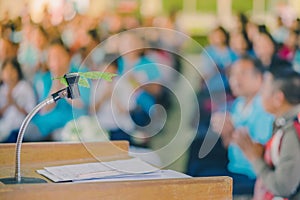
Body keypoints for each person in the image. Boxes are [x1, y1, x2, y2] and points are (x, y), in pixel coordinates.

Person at [233, 67, 300, 200]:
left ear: (278, 98)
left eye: (264, 90)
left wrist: (255, 158)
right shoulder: (284, 123)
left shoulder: (292, 132)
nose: (260, 95)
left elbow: (283, 188)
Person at [211, 56, 274, 195]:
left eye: (242, 74)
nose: (235, 80)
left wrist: (234, 130)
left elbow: (264, 152)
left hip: (252, 175)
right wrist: (226, 132)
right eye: (232, 74)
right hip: (233, 168)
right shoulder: (238, 104)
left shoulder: (265, 108)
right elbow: (229, 145)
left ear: (259, 78)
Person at [28, 39, 90, 141]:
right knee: (30, 131)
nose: (57, 60)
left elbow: (80, 105)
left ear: (67, 56)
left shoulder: (77, 74)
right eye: (52, 57)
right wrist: (56, 82)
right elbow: (44, 109)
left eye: (59, 56)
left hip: (72, 120)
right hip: (49, 122)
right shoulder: (45, 78)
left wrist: (64, 83)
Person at [91, 60, 135, 143]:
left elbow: (126, 110)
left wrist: (113, 96)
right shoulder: (96, 85)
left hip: (121, 127)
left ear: (115, 69)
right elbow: (92, 110)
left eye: (109, 68)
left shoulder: (124, 84)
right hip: (102, 128)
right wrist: (104, 96)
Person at [0, 57, 36, 142]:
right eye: (6, 71)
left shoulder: (25, 87)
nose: (9, 74)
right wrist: (8, 103)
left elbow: (31, 112)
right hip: (4, 126)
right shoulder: (2, 89)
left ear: (18, 72)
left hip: (21, 127)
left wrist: (14, 103)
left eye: (12, 70)